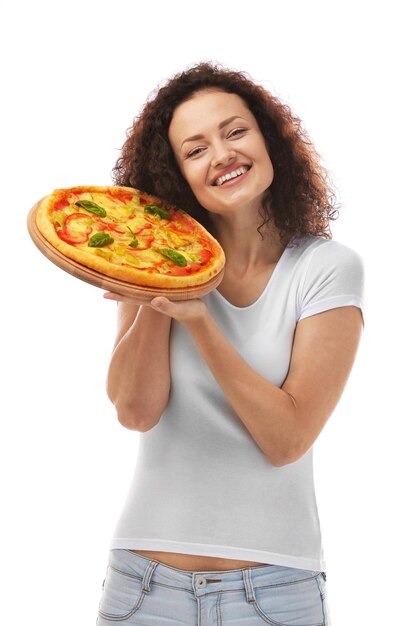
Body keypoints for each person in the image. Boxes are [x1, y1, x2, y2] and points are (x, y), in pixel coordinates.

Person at [96, 62, 364, 625]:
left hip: (273, 591)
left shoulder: (325, 268)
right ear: (178, 176)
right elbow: (136, 411)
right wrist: (156, 288)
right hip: (143, 586)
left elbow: (286, 438)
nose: (221, 154)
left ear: (270, 140)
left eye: (235, 131)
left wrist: (200, 320)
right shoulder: (151, 265)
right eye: (195, 150)